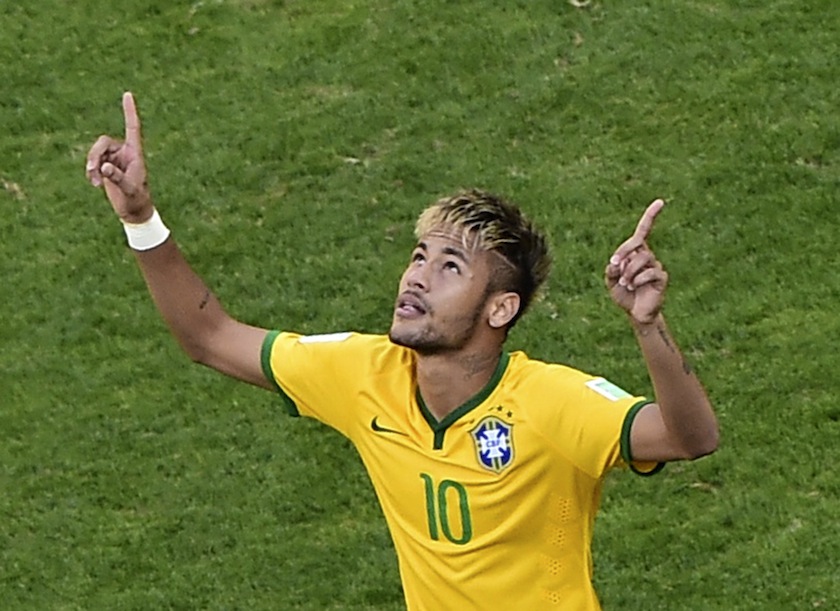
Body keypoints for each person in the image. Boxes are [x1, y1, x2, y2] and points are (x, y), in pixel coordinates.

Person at [86, 92, 719, 610]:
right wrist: (141, 218)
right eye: (419, 256)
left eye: (449, 266)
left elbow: (688, 437)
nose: (416, 276)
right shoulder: (363, 375)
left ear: (501, 308)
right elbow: (210, 338)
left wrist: (648, 327)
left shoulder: (551, 405)